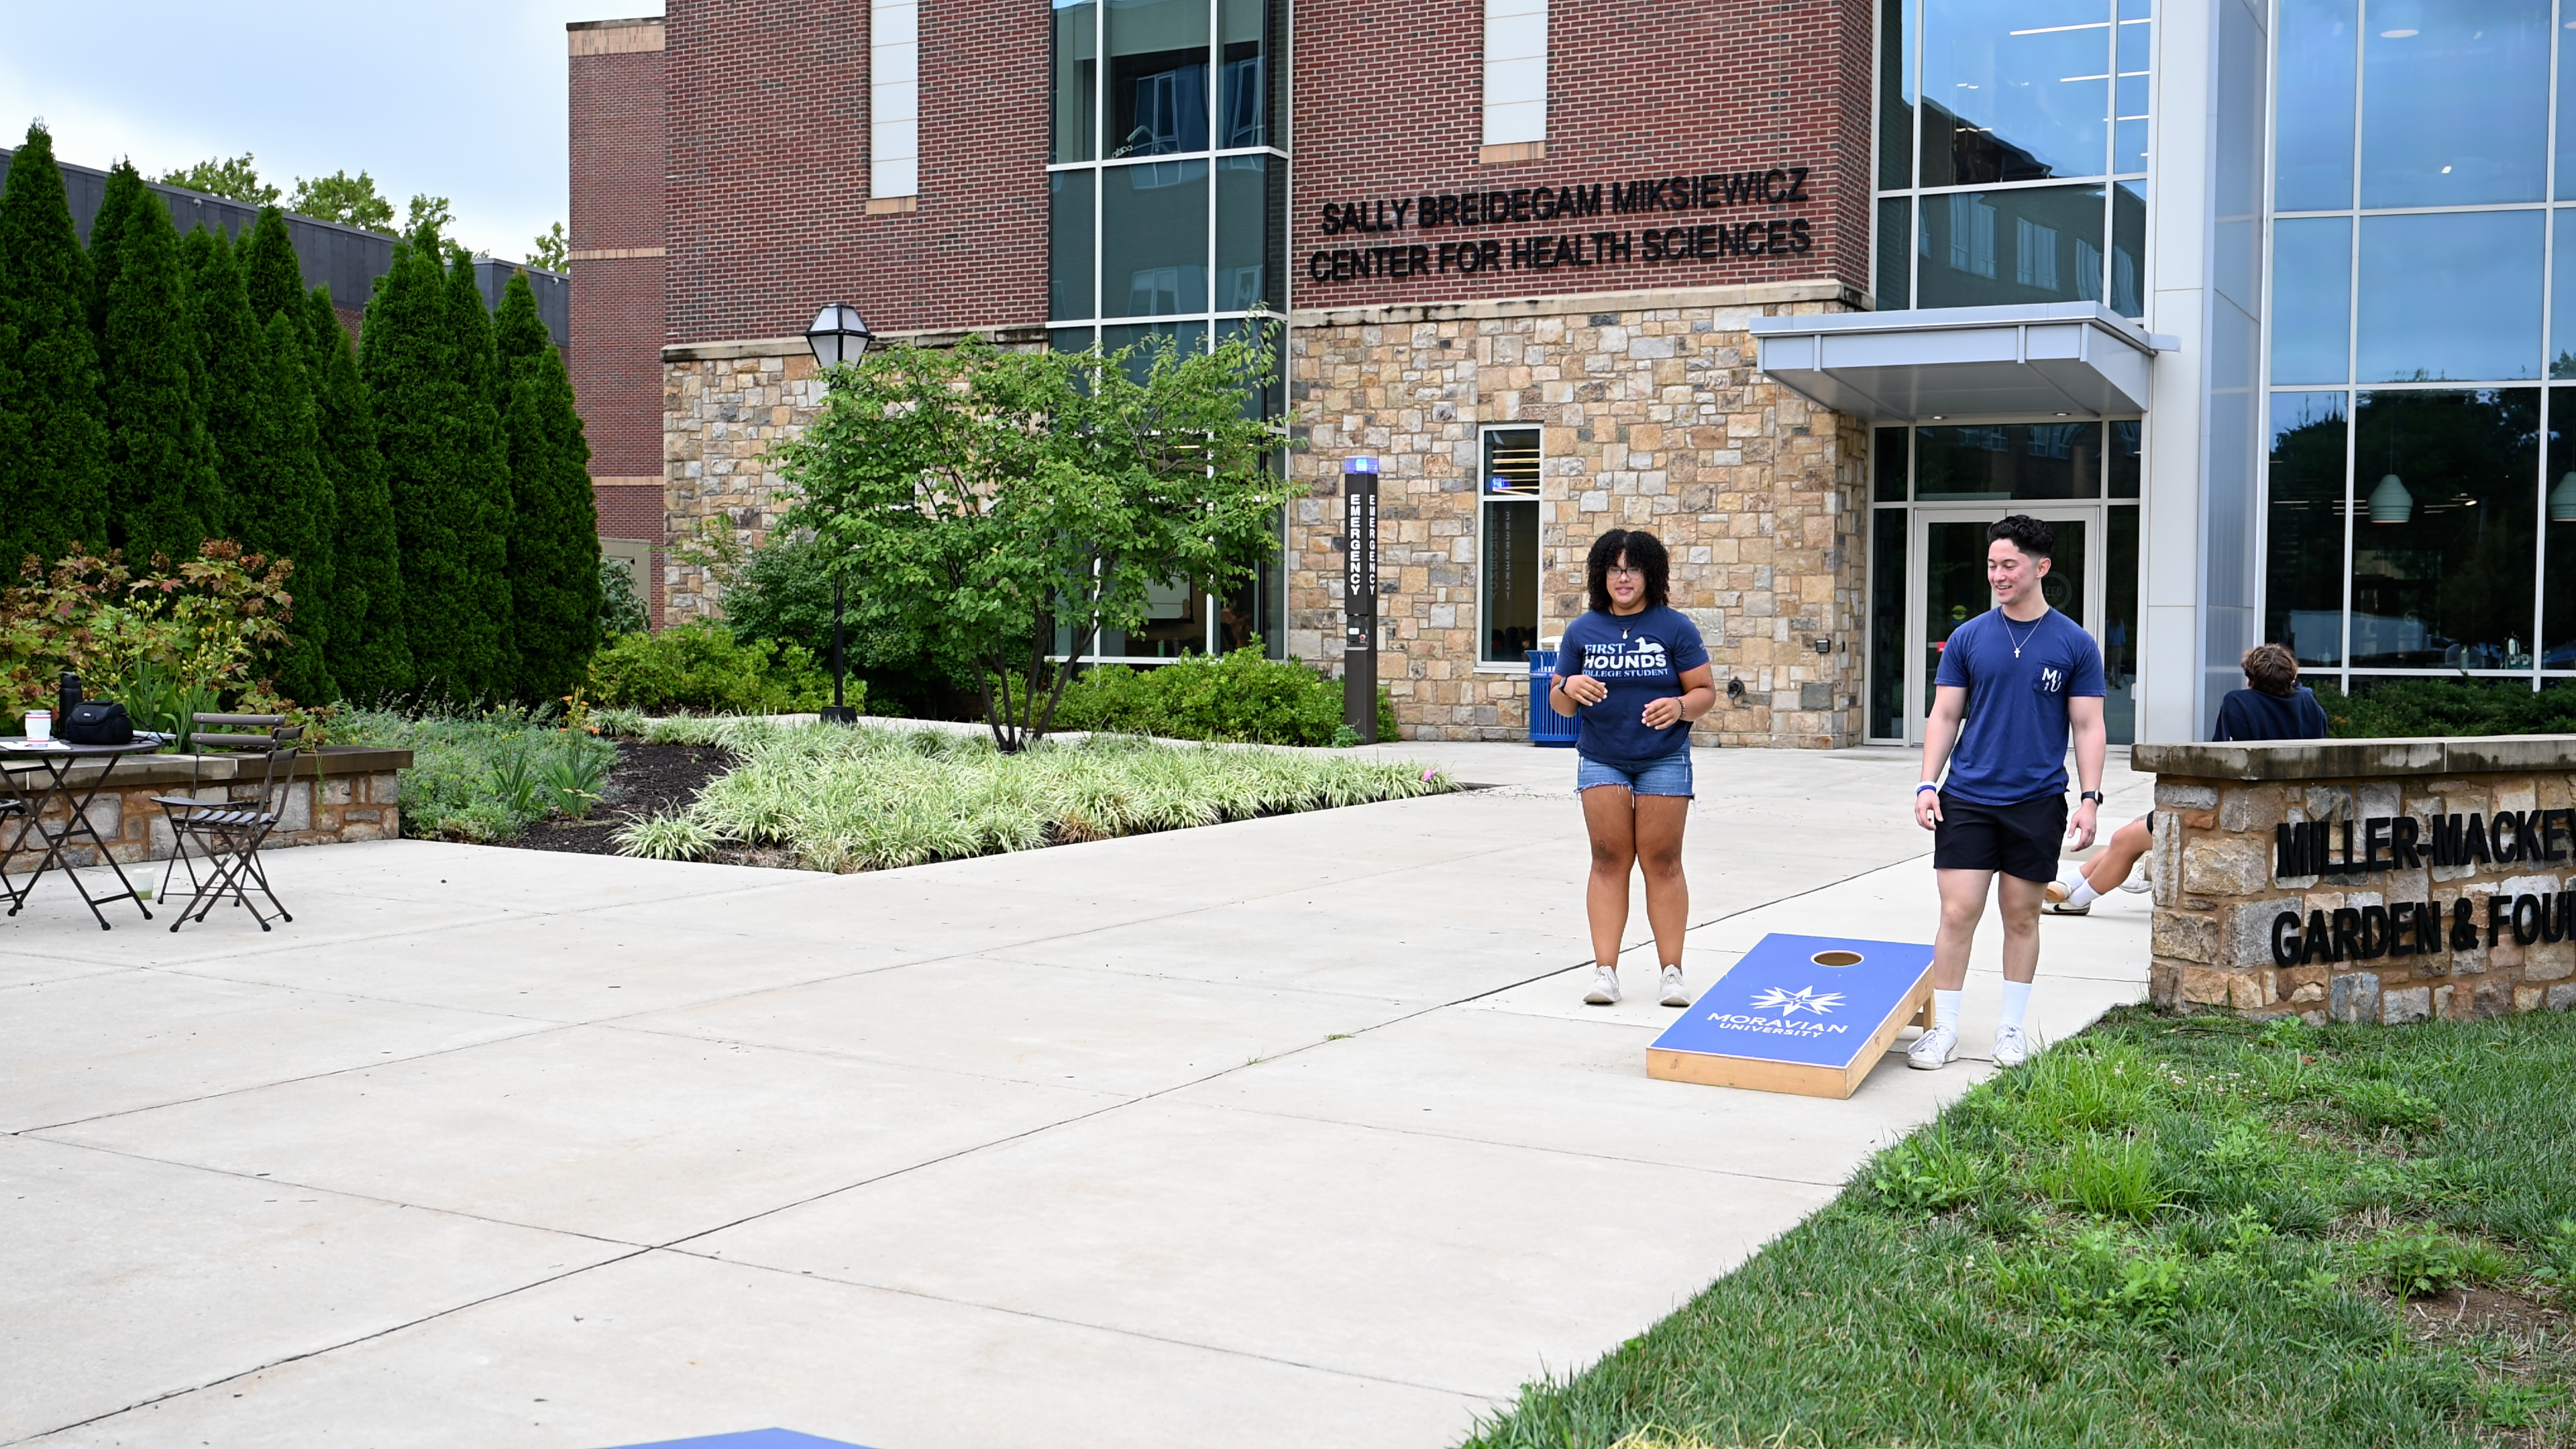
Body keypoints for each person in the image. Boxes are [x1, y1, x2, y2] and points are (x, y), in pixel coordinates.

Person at [1910, 515, 2106, 1070]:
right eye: (1992, 565)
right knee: (1957, 912)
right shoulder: (1970, 637)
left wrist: (2090, 797)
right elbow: (1945, 714)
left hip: (2037, 800)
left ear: (2040, 568)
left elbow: (2089, 727)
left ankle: (2009, 1031)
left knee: (2022, 916)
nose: (1997, 575)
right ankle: (1943, 1028)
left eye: (2009, 565)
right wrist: (1928, 782)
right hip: (1968, 796)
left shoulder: (2075, 643)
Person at [1548, 529, 1717, 1008]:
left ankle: (1672, 973)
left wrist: (1681, 707)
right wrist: (1570, 686)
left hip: (1664, 757)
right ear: (1603, 575)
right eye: (1615, 569)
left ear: (1651, 574)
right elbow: (1559, 705)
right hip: (1602, 757)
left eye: (1633, 569)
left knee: (1662, 863)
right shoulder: (1583, 630)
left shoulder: (1675, 628)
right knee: (1607, 859)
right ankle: (1605, 972)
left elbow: (1705, 691)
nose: (1624, 579)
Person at [2045, 643, 2327, 914]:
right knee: (2136, 827)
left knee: (2124, 839)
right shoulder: (2308, 703)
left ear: (2251, 679)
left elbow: (2221, 762)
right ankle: (2072, 881)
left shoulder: (2240, 702)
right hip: (2288, 809)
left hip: (2231, 812)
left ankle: (2076, 900)